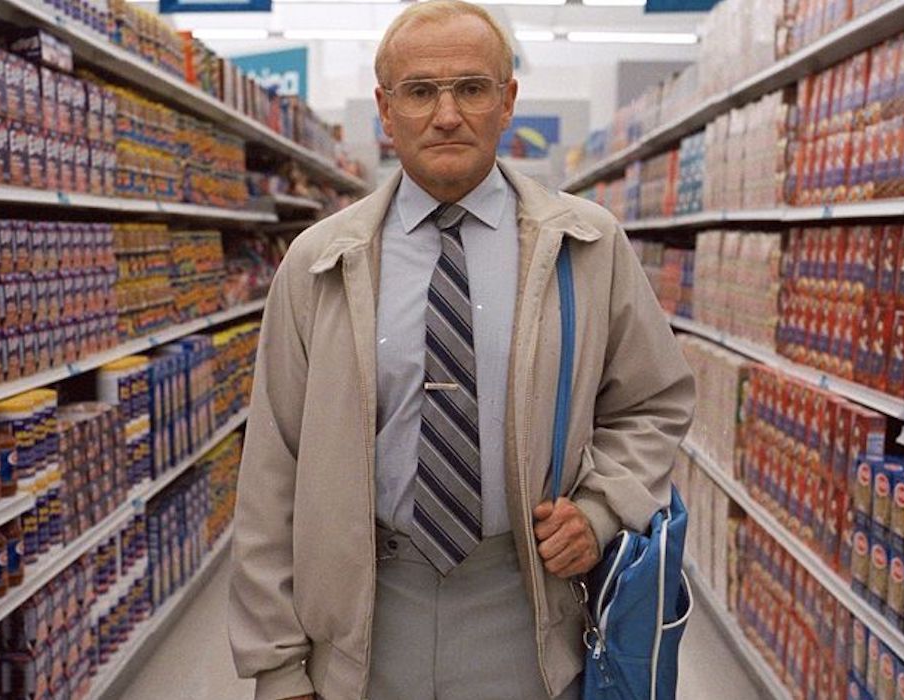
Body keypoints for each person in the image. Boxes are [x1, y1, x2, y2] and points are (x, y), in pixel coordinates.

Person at [227, 2, 696, 698]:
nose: (447, 115)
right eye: (420, 92)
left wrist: (600, 511)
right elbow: (273, 465)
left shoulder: (586, 248)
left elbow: (654, 402)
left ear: (507, 102)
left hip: (529, 610)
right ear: (387, 111)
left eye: (472, 88)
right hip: (366, 612)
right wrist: (275, 663)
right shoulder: (320, 262)